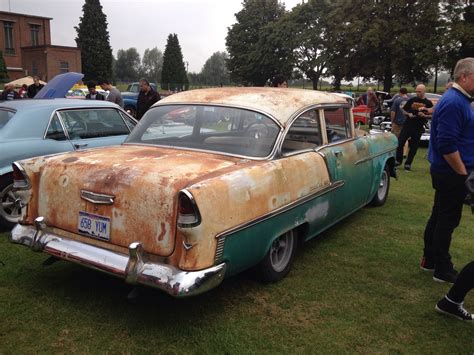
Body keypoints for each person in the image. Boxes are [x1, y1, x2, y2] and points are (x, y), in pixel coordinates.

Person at [420, 57, 474, 283]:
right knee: (448, 220)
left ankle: (430, 259)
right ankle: (442, 268)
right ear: (464, 77)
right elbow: (447, 144)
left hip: (448, 171)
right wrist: (463, 175)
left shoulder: (459, 99)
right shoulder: (454, 102)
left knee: (439, 214)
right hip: (452, 172)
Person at [395, 84, 433, 171]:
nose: (417, 93)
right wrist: (409, 114)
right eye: (416, 91)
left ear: (424, 91)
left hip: (418, 126)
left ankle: (408, 164)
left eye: (419, 92)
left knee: (414, 146)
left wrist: (424, 115)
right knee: (400, 143)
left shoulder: (428, 103)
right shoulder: (412, 100)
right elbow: (404, 110)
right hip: (408, 124)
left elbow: (432, 115)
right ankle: (398, 160)